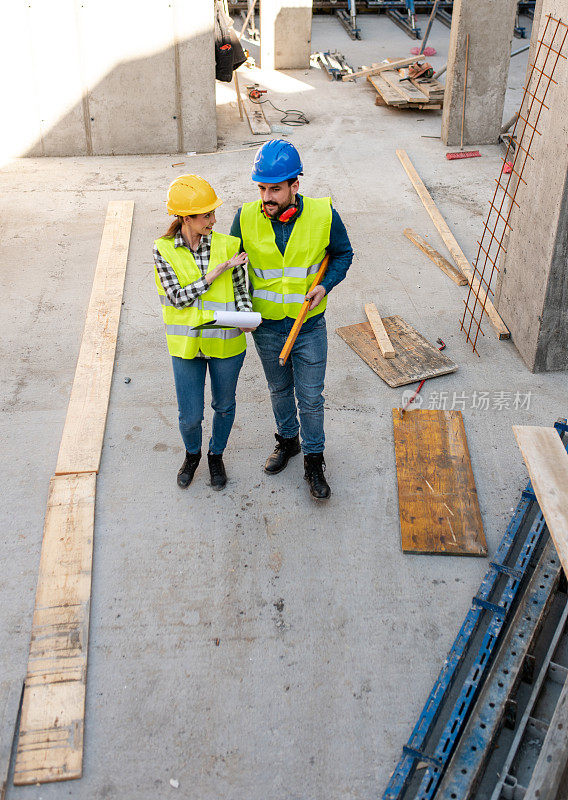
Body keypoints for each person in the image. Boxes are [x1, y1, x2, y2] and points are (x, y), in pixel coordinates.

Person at [230, 140, 354, 501]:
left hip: (309, 324)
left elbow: (343, 254)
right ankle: (288, 441)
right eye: (262, 188)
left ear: (294, 186)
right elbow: (236, 272)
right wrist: (240, 310)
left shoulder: (323, 214)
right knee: (279, 390)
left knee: (311, 397)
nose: (266, 197)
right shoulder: (245, 217)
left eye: (275, 189)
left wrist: (325, 286)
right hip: (267, 328)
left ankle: (314, 459)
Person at [153, 175, 256, 491]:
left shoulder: (229, 245)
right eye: (206, 215)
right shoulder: (163, 250)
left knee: (224, 406)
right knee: (190, 416)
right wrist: (215, 273)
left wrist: (245, 316)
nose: (214, 219)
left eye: (213, 213)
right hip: (187, 347)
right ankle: (192, 455)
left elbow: (242, 291)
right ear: (186, 218)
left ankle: (216, 455)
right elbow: (179, 297)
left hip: (226, 344)